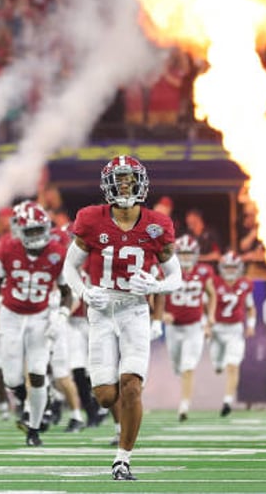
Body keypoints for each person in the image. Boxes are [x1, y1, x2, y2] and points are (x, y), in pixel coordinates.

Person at [62, 155, 180, 481]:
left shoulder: (157, 224)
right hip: (100, 309)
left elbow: (176, 276)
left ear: (141, 183)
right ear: (108, 185)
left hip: (134, 308)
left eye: (130, 179)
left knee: (131, 387)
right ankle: (113, 420)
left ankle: (122, 459)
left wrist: (157, 285)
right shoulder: (90, 219)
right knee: (105, 396)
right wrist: (85, 292)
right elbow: (69, 268)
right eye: (120, 179)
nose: (125, 185)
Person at [0, 201, 71, 447]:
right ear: (19, 231)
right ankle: (24, 401)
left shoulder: (57, 252)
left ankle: (34, 428)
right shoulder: (7, 249)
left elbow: (66, 291)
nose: (35, 236)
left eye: (38, 229)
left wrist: (61, 316)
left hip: (40, 317)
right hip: (11, 315)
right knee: (12, 379)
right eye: (29, 231)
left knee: (38, 372)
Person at [163, 235, 216, 422]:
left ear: (196, 254)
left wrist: (210, 318)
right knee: (177, 367)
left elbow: (212, 294)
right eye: (182, 253)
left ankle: (184, 405)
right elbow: (155, 293)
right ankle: (184, 399)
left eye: (189, 254)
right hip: (174, 329)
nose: (185, 257)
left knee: (187, 367)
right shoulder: (168, 271)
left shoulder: (204, 271)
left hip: (194, 327)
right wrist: (161, 314)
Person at [211, 252, 256, 417]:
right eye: (227, 267)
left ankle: (227, 401)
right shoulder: (214, 283)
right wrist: (206, 324)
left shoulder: (245, 284)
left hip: (235, 330)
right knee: (218, 367)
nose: (230, 270)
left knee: (233, 365)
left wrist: (250, 325)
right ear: (222, 268)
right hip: (216, 330)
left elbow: (250, 307)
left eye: (233, 267)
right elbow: (204, 306)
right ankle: (218, 364)